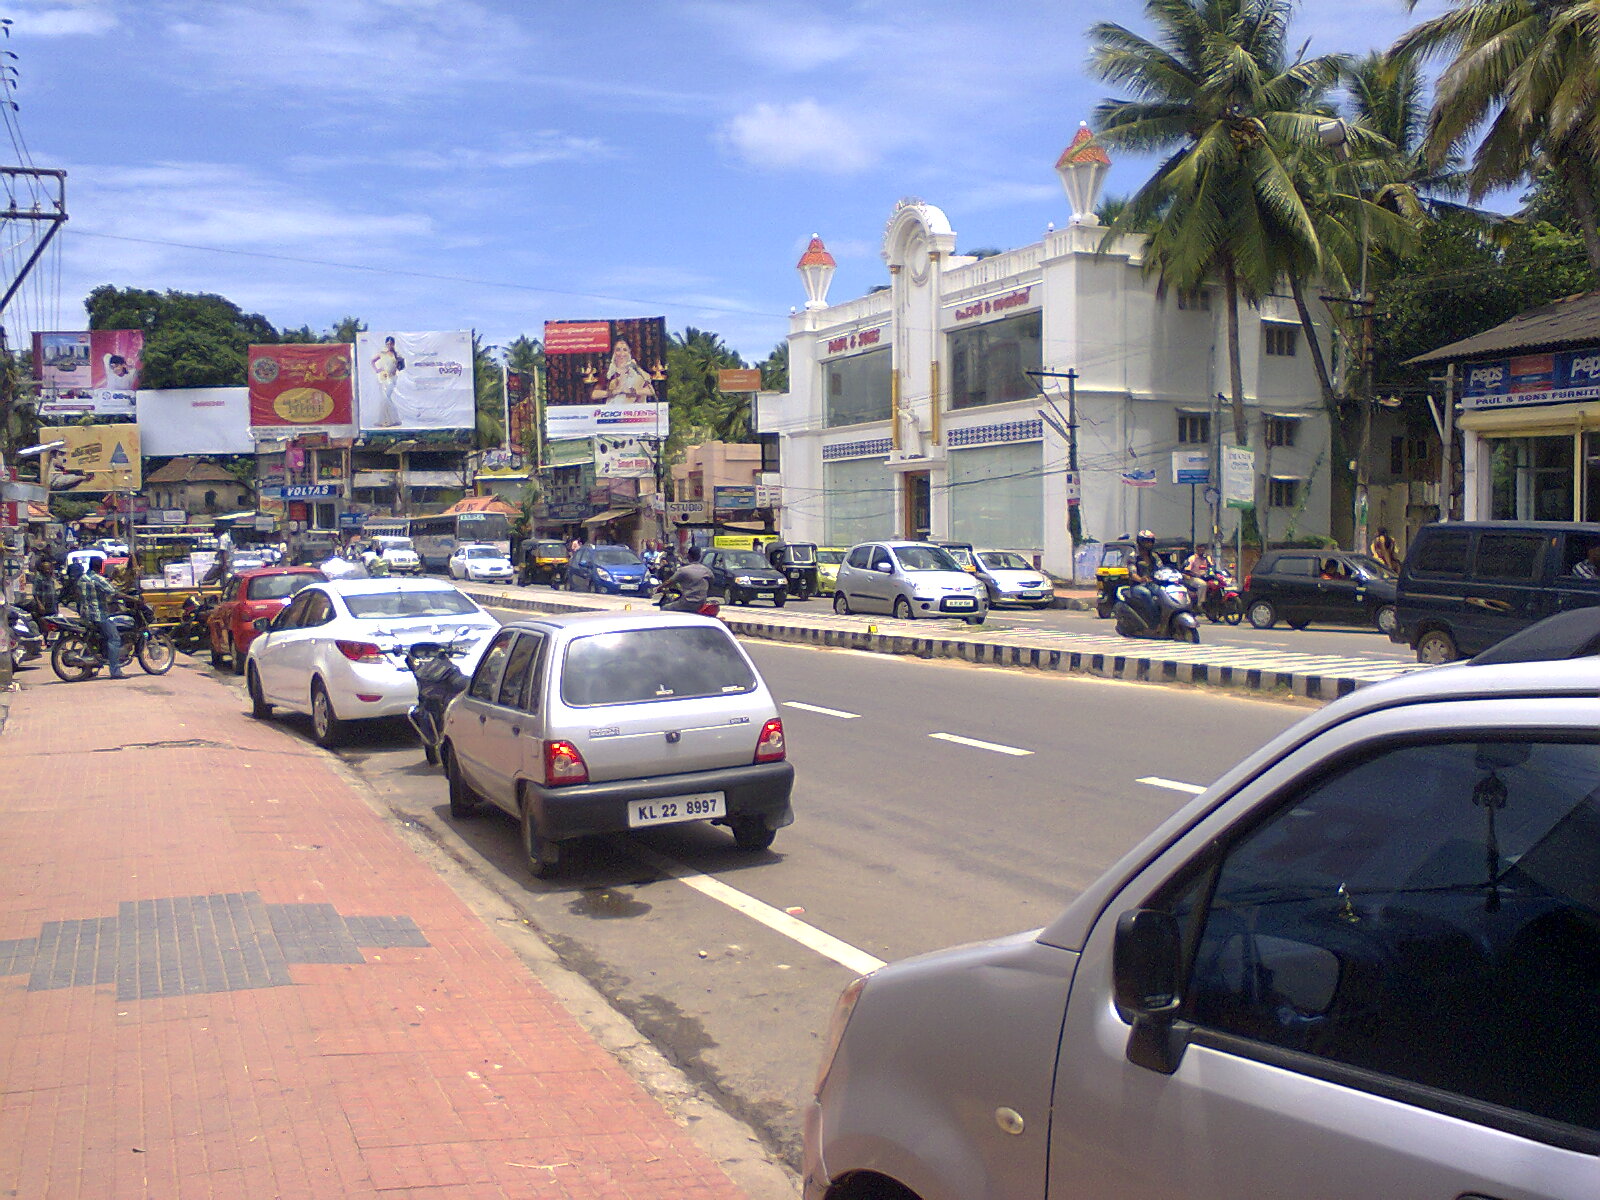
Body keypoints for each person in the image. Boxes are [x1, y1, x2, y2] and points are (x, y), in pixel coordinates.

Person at [74, 557, 129, 679]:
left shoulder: (82, 578)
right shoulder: (98, 579)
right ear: (100, 566)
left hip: (84, 615)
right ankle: (115, 671)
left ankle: (89, 668)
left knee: (96, 639)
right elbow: (113, 592)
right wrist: (131, 599)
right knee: (114, 638)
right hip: (98, 615)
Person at [658, 545, 713, 613]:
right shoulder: (707, 571)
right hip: (701, 603)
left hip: (687, 602)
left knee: (664, 608)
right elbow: (711, 583)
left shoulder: (683, 570)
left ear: (688, 556)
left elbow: (669, 582)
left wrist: (658, 588)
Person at [370, 335, 405, 428]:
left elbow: (401, 365)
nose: (389, 345)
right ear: (386, 344)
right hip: (383, 377)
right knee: (385, 398)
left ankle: (389, 420)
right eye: (388, 343)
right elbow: (372, 361)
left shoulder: (396, 354)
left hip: (392, 378)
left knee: (386, 397)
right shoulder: (382, 353)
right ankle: (387, 420)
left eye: (391, 343)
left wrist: (398, 366)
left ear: (393, 344)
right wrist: (377, 369)